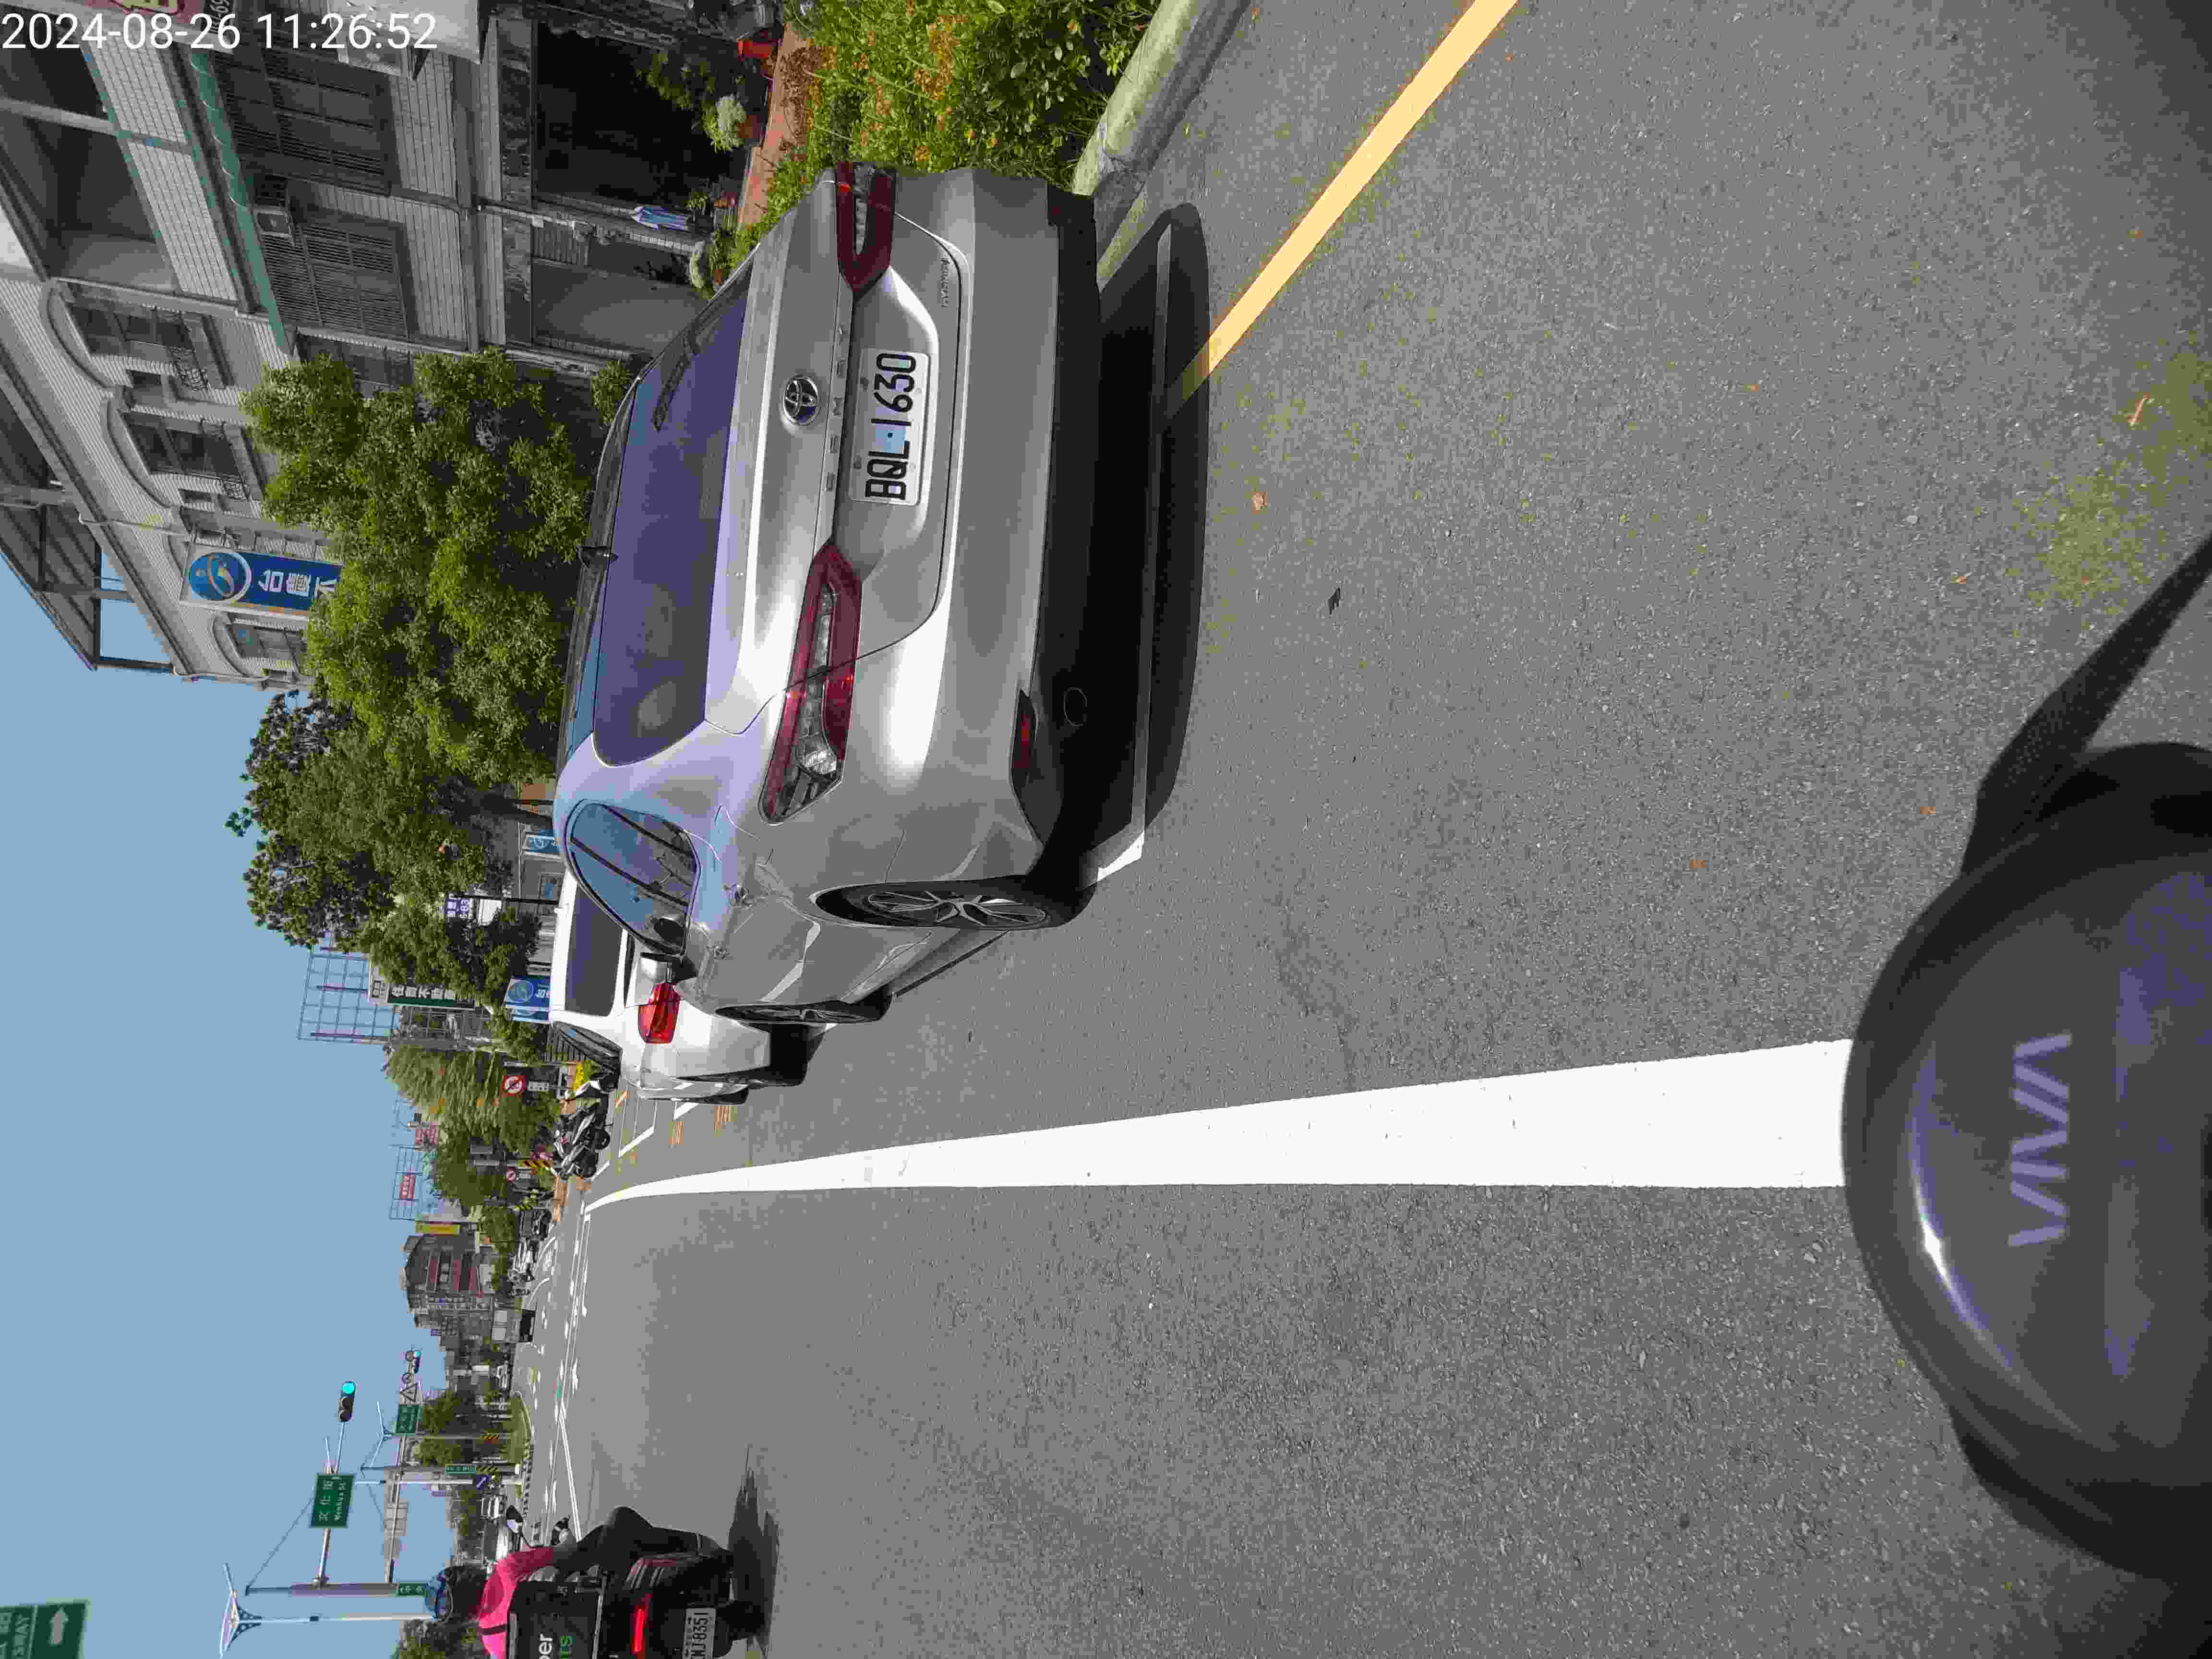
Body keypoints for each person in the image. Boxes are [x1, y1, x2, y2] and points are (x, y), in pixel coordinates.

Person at [429, 1507, 725, 1659]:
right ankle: (700, 1546)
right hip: (609, 1605)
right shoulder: (505, 1572)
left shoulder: (494, 1648)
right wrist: (563, 1536)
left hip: (605, 1651)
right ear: (468, 1576)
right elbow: (570, 1552)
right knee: (619, 1523)